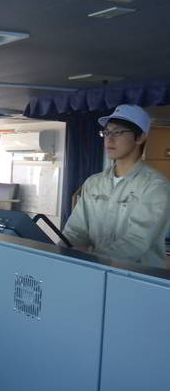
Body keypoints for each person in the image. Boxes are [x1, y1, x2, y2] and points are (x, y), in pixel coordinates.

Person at [62, 104, 170, 268]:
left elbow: (136, 241)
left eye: (118, 132)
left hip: (136, 277)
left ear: (140, 137)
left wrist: (92, 258)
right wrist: (61, 253)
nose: (109, 139)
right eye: (106, 133)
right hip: (94, 270)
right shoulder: (94, 183)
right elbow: (76, 230)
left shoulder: (156, 186)